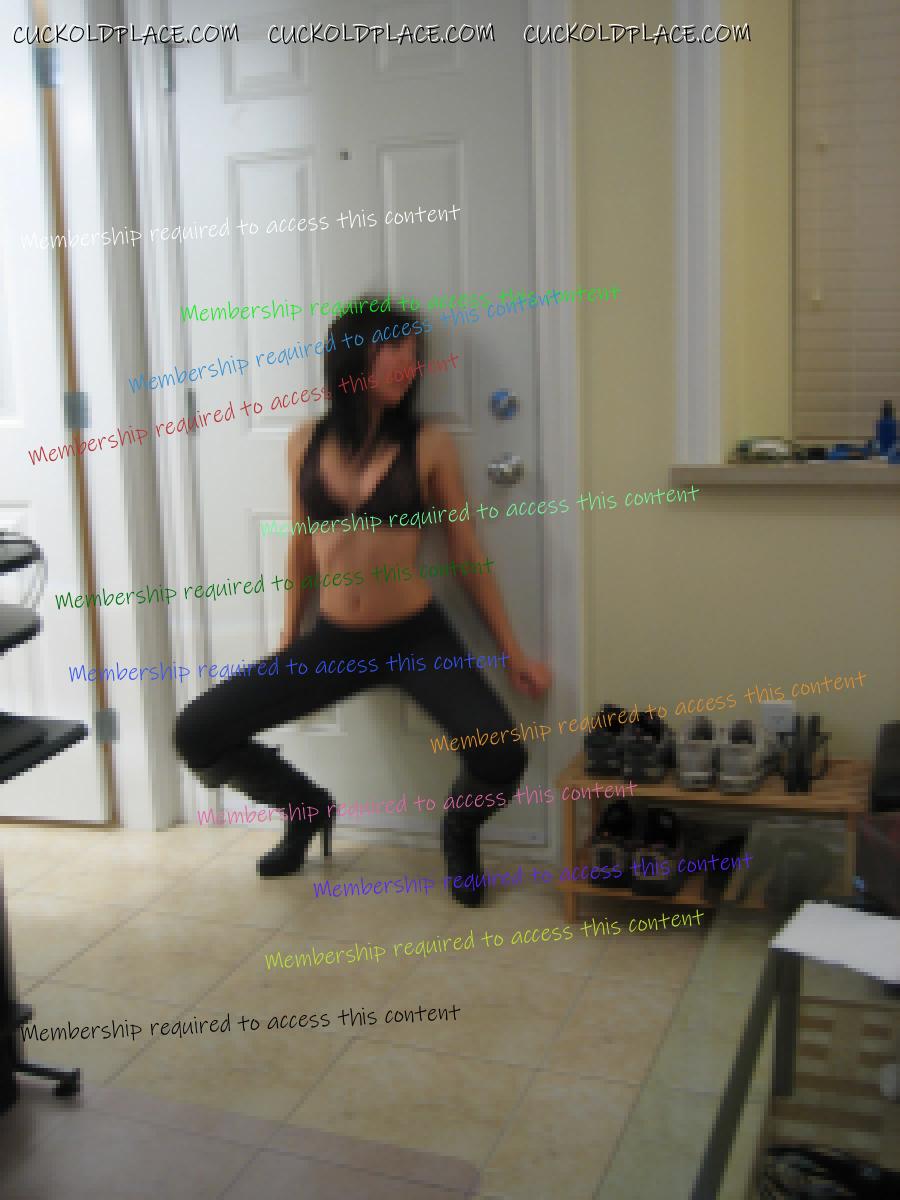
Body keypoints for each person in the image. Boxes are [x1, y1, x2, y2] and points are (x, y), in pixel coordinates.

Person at [174, 298, 551, 907]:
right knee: (197, 732)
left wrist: (513, 653)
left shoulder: (428, 443)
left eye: (415, 352)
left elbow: (466, 553)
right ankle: (305, 809)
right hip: (334, 641)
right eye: (394, 348)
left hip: (415, 637)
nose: (409, 364)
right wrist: (288, 635)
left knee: (502, 756)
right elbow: (302, 545)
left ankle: (459, 830)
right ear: (354, 355)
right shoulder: (303, 441)